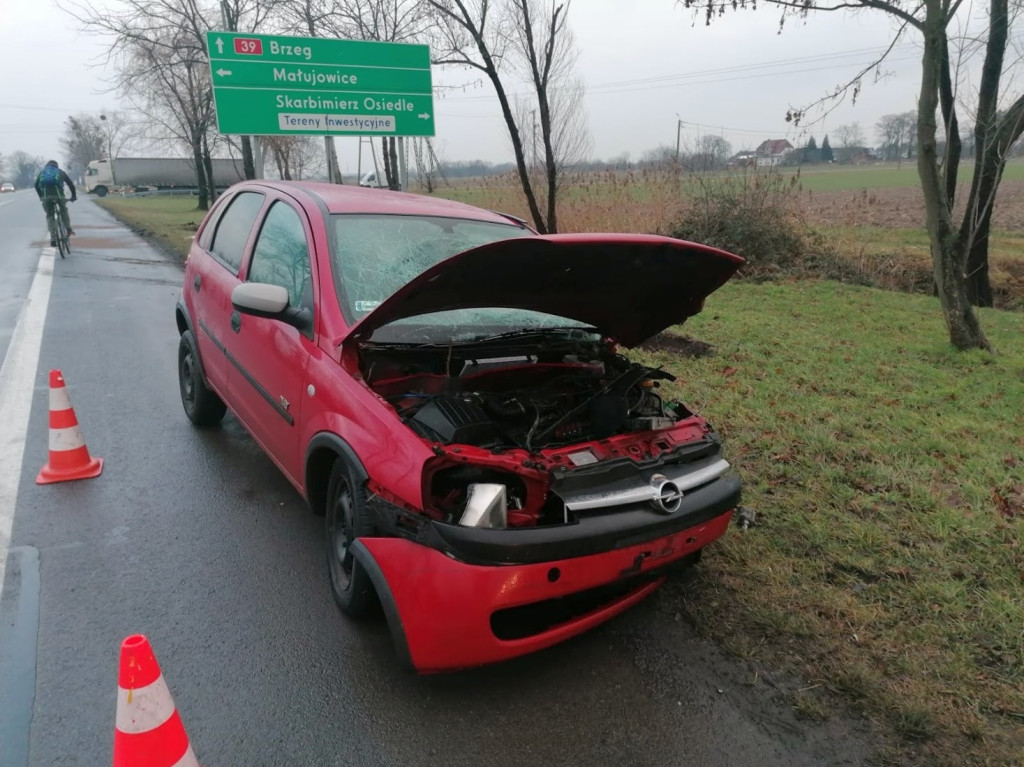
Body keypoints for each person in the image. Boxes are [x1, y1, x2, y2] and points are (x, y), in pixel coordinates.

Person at [35, 160, 77, 247]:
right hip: (59, 196)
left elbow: (36, 185)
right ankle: (68, 229)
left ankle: (53, 238)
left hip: (46, 197)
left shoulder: (42, 172)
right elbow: (70, 184)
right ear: (56, 166)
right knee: (63, 210)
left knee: (50, 215)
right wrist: (73, 196)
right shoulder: (60, 172)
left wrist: (41, 197)